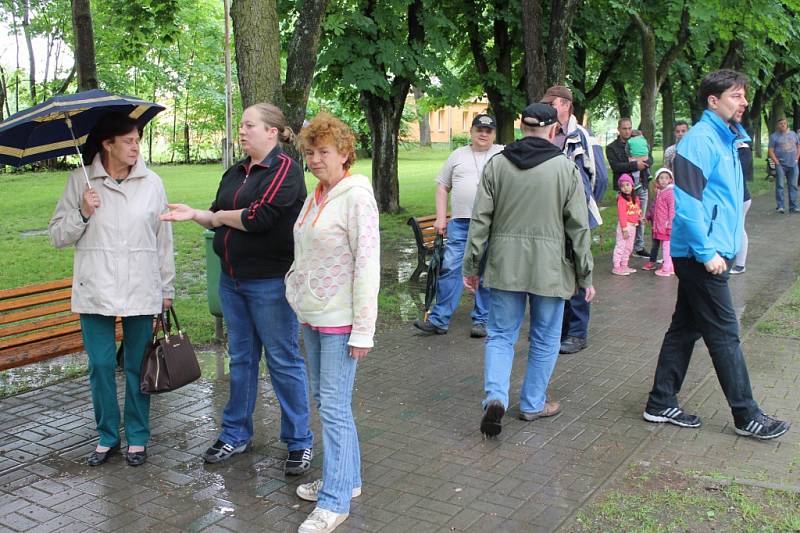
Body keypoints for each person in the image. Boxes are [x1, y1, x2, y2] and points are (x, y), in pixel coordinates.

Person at [160, 103, 314, 471]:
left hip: (270, 285)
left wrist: (218, 217)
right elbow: (218, 217)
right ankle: (235, 434)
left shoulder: (285, 170)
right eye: (241, 125)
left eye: (249, 125)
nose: (241, 131)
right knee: (241, 360)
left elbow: (259, 219)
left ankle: (299, 441)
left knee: (282, 360)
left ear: (272, 132)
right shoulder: (235, 173)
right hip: (232, 282)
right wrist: (197, 215)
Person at [644, 69, 790, 440]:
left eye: (743, 96)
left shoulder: (726, 139)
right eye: (736, 96)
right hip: (701, 255)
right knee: (725, 333)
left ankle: (660, 402)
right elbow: (688, 204)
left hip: (711, 251)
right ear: (713, 100)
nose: (743, 103)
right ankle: (747, 415)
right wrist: (708, 252)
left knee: (685, 328)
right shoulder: (700, 140)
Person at [49, 112, 175, 467]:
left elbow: (163, 240)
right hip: (96, 287)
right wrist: (83, 212)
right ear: (108, 144)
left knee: (137, 365)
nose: (136, 147)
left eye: (138, 141)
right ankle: (107, 436)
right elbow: (58, 235)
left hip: (141, 285)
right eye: (129, 141)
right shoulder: (80, 181)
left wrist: (167, 288)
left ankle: (137, 436)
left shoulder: (152, 183)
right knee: (102, 365)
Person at [462, 103, 594, 437]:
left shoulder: (496, 164)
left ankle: (495, 397)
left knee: (501, 335)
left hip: (505, 266)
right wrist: (585, 275)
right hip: (551, 269)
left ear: (522, 128)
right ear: (554, 130)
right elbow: (579, 228)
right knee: (546, 337)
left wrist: (472, 265)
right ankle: (533, 403)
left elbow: (479, 221)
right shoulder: (565, 169)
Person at [288, 113, 380, 533]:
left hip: (342, 321)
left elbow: (368, 265)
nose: (315, 160)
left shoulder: (356, 195)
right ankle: (349, 479)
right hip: (314, 315)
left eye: (323, 152)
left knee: (335, 409)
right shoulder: (317, 195)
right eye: (309, 152)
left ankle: (334, 502)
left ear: (345, 153)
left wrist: (364, 328)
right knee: (328, 404)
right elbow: (305, 251)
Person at [413, 114, 502, 338]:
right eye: (479, 129)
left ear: (494, 134)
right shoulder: (458, 155)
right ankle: (439, 319)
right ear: (471, 132)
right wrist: (441, 218)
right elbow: (443, 187)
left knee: (486, 271)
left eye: (488, 131)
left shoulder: (502, 154)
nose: (483, 134)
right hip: (461, 223)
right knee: (450, 269)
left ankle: (481, 320)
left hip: (492, 223)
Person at [540, 85, 607, 355]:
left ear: (565, 105)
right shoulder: (547, 135)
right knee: (557, 272)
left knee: (580, 271)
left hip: (576, 217)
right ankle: (560, 328)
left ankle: (577, 333)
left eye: (551, 103)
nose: (546, 108)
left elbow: (600, 178)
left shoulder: (583, 137)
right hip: (549, 219)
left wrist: (584, 205)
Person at [767, 117, 800, 213]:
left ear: (787, 124)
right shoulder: (774, 136)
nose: (783, 125)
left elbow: (798, 146)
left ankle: (793, 206)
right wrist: (776, 162)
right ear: (778, 125)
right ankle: (780, 206)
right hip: (780, 164)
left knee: (793, 185)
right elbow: (770, 151)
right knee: (780, 186)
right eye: (781, 124)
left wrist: (797, 159)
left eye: (784, 123)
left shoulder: (793, 134)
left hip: (793, 164)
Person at [647, 168, 676, 277]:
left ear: (670, 180)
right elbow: (656, 208)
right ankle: (671, 266)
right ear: (657, 180)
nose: (663, 180)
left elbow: (672, 210)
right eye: (661, 178)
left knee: (666, 247)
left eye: (666, 178)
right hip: (660, 225)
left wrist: (669, 225)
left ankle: (666, 268)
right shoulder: (660, 192)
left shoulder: (669, 193)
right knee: (666, 246)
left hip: (666, 226)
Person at [611, 174, 642, 276]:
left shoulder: (634, 198)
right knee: (621, 245)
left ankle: (624, 265)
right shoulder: (621, 200)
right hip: (625, 226)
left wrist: (640, 217)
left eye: (628, 185)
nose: (626, 188)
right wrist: (624, 229)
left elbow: (637, 209)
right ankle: (616, 267)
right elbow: (622, 215)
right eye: (623, 186)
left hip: (633, 226)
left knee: (628, 247)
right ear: (620, 188)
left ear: (632, 185)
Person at [731, 140, 753, 274]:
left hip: (740, 198)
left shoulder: (743, 149)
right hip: (732, 197)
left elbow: (738, 172)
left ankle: (740, 264)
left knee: (739, 229)